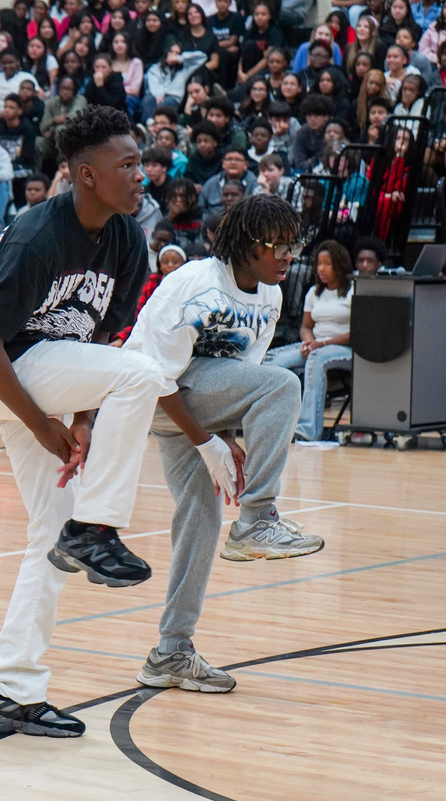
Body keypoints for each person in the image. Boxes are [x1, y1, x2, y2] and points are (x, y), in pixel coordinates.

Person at [0, 105, 165, 738]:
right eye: (127, 164)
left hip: (43, 374)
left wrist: (83, 424)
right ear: (86, 175)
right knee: (144, 373)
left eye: (140, 161)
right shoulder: (38, 235)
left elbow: (97, 340)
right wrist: (46, 427)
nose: (141, 174)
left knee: (49, 537)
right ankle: (96, 527)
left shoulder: (127, 239)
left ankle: (11, 691)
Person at [124, 194, 323, 691]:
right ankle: (258, 519)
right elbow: (156, 375)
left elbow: (239, 378)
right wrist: (205, 440)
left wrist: (225, 438)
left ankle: (170, 651)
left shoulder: (271, 297)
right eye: (277, 245)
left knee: (201, 521)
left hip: (195, 404)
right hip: (152, 394)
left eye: (292, 244)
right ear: (244, 244)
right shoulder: (192, 283)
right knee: (285, 383)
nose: (288, 256)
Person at [270, 239, 353, 441]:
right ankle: (276, 422)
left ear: (339, 265)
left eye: (327, 264)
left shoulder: (354, 291)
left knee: (316, 358)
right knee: (272, 360)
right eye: (318, 264)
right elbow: (306, 327)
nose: (321, 269)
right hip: (316, 345)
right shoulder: (314, 292)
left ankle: (308, 430)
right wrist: (308, 341)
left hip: (345, 349)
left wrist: (321, 344)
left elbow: (356, 333)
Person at [115, 243, 186, 343]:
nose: (170, 265)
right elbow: (141, 312)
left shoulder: (188, 283)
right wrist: (122, 338)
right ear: (160, 266)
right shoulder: (153, 281)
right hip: (153, 332)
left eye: (175, 262)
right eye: (166, 262)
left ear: (184, 263)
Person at [36, 75, 87, 167]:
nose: (65, 92)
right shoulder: (52, 102)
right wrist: (54, 121)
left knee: (61, 129)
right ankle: (38, 174)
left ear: (74, 91)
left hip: (75, 142)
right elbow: (43, 126)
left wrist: (52, 128)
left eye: (69, 89)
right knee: (38, 142)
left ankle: (64, 164)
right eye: (63, 89)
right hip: (53, 142)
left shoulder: (80, 100)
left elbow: (73, 118)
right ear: (58, 89)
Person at [198, 146, 258, 219]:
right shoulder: (212, 182)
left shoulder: (254, 184)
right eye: (229, 159)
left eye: (238, 160)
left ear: (245, 165)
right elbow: (201, 206)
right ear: (223, 163)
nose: (233, 163)